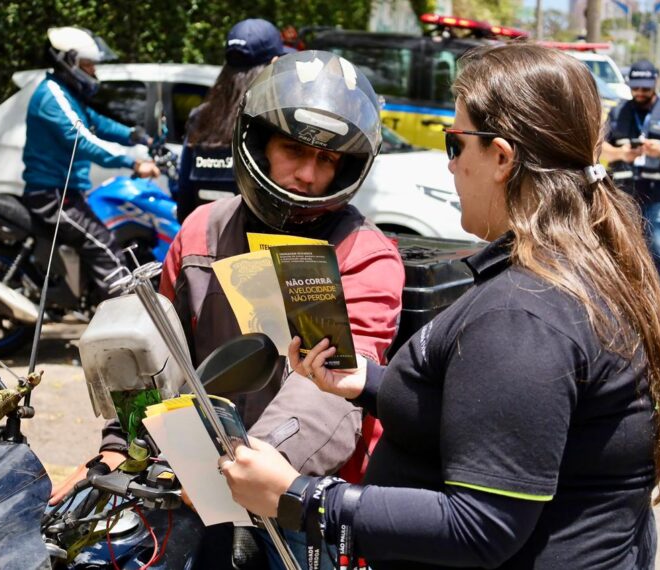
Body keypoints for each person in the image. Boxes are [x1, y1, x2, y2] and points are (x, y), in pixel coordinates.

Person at [221, 43, 660, 569]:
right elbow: (490, 409)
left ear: (501, 158)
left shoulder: (524, 314)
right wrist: (370, 384)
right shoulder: (564, 275)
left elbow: (481, 526)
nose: (449, 166)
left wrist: (302, 497)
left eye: (455, 143)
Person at [53, 50, 404, 569]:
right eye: (293, 149)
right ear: (259, 142)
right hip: (196, 490)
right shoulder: (202, 233)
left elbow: (330, 389)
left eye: (327, 160)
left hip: (302, 505)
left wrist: (252, 467)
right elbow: (157, 359)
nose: (308, 175)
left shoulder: (362, 256)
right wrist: (116, 448)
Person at [22, 26, 160, 300]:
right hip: (53, 197)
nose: (93, 71)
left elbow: (98, 123)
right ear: (69, 62)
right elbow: (83, 140)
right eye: (88, 65)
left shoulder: (66, 93)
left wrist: (136, 136)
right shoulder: (53, 95)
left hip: (66, 193)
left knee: (104, 238)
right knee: (105, 248)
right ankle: (123, 314)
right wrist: (133, 163)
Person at [172, 18, 293, 223]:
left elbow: (184, 204)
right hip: (259, 242)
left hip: (202, 239)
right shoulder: (276, 123)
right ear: (273, 63)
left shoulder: (199, 119)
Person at [601, 59, 660, 293]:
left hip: (659, 196)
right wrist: (621, 153)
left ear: (655, 83)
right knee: (622, 253)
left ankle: (659, 303)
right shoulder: (619, 111)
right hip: (625, 196)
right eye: (635, 87)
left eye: (645, 88)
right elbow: (601, 147)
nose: (639, 92)